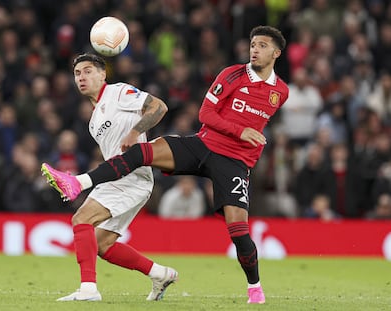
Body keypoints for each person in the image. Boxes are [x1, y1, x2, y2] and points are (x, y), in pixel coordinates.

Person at [42, 26, 289, 304]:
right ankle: (153, 270)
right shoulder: (232, 74)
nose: (254, 49)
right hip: (203, 146)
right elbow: (206, 114)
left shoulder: (280, 92)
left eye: (262, 45)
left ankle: (254, 288)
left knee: (238, 230)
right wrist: (238, 130)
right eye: (253, 44)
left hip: (233, 162)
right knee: (142, 154)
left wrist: (246, 143)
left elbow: (161, 107)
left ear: (276, 53)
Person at [41, 53, 178, 302]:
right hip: (117, 179)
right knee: (102, 245)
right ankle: (160, 273)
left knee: (81, 218)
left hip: (134, 178)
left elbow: (159, 106)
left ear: (103, 74)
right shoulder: (93, 121)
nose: (81, 77)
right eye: (77, 74)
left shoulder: (118, 92)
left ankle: (88, 289)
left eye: (88, 71)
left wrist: (137, 131)